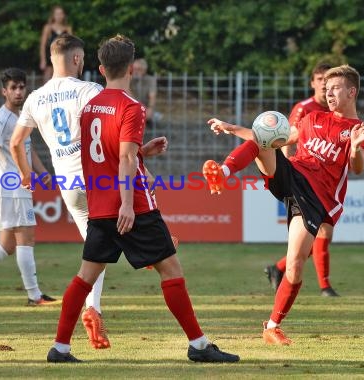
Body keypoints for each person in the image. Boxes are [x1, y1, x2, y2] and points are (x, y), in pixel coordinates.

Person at [43, 34, 240, 363]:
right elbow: (124, 161)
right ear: (132, 68)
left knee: (85, 277)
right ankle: (199, 345)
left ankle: (60, 347)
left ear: (101, 69)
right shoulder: (132, 107)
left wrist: (143, 151)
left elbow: (104, 155)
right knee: (171, 269)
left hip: (100, 206)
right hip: (132, 205)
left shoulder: (90, 106)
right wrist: (125, 203)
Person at [10, 34, 172, 350]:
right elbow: (112, 140)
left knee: (95, 250)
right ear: (75, 59)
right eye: (81, 58)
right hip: (100, 179)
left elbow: (16, 142)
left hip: (69, 186)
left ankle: (93, 310)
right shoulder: (90, 90)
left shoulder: (34, 98)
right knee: (137, 209)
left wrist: (30, 176)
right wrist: (144, 163)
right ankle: (154, 250)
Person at [202, 64, 364, 345]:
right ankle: (223, 173)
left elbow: (358, 167)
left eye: (335, 89)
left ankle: (272, 327)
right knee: (263, 140)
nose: (329, 94)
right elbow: (278, 139)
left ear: (351, 92)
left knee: (294, 266)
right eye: (326, 89)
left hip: (316, 200)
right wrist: (230, 127)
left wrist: (354, 148)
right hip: (293, 174)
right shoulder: (312, 118)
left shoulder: (357, 130)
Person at [0, 68, 59, 307]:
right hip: (11, 187)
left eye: (21, 87)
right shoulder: (2, 119)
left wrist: (43, 173)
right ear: (4, 91)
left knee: (6, 245)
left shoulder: (22, 116)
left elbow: (28, 148)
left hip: (19, 186)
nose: (18, 92)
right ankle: (34, 295)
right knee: (26, 237)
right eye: (13, 88)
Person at [267, 62, 340, 297]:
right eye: (319, 79)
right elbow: (287, 138)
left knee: (315, 237)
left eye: (327, 80)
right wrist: (287, 173)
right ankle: (325, 287)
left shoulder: (336, 109)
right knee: (323, 233)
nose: (323, 84)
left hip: (326, 179)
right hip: (304, 179)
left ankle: (277, 268)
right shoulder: (304, 108)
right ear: (312, 83)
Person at [39, 5, 72, 84]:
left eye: (61, 14)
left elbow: (72, 45)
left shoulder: (68, 28)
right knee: (48, 80)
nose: (59, 16)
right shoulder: (48, 28)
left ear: (64, 15)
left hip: (63, 58)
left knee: (61, 80)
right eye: (57, 14)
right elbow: (43, 45)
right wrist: (43, 60)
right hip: (50, 57)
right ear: (53, 15)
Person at [130, 58, 158, 125]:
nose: (136, 72)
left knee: (155, 118)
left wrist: (150, 109)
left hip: (145, 107)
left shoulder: (150, 80)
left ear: (144, 71)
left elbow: (152, 96)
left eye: (139, 69)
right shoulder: (128, 79)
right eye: (134, 69)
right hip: (132, 108)